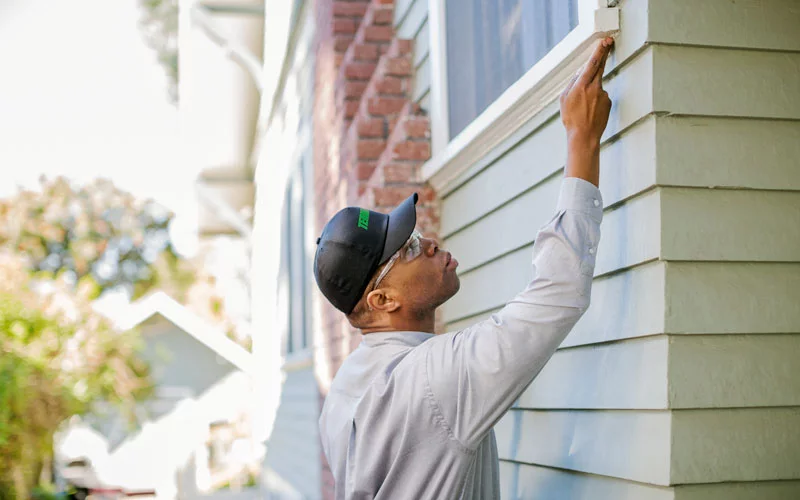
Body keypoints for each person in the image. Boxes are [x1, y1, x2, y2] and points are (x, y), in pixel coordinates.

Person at [313, 37, 614, 500]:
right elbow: (557, 292)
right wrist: (582, 139)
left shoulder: (343, 393)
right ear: (382, 300)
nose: (429, 243)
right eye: (409, 248)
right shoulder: (434, 378)